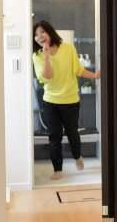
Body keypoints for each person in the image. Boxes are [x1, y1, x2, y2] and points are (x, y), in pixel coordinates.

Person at [32, 21, 100, 180]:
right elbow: (47, 77)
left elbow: (78, 70)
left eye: (42, 32)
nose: (39, 36)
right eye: (36, 34)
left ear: (49, 32)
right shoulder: (37, 56)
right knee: (54, 136)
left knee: (72, 133)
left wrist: (95, 75)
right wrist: (47, 55)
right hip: (50, 101)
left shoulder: (68, 48)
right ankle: (57, 169)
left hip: (70, 100)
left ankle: (77, 156)